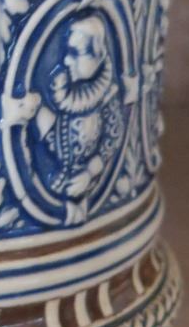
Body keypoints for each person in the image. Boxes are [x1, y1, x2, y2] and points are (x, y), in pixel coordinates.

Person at [25, 14, 123, 202]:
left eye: (76, 53)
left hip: (86, 183)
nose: (67, 61)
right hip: (59, 181)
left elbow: (113, 138)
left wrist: (90, 172)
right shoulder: (63, 94)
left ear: (98, 56)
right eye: (67, 52)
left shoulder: (107, 96)